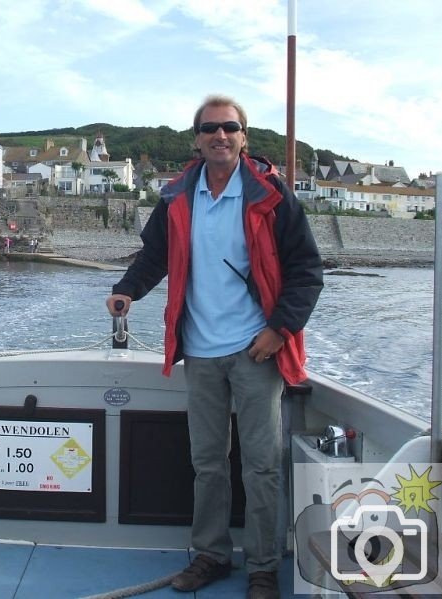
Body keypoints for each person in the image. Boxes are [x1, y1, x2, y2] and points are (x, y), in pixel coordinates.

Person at [105, 94, 322, 599]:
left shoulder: (271, 194)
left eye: (229, 128)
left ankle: (264, 567)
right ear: (196, 138)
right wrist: (126, 289)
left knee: (262, 464)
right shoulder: (178, 195)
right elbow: (155, 254)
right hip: (199, 350)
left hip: (255, 351)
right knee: (207, 461)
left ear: (244, 137)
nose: (219, 136)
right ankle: (212, 555)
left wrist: (278, 331)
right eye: (209, 129)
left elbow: (307, 273)